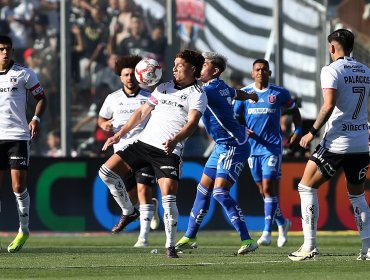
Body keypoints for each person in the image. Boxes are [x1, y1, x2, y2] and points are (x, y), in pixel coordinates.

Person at [101, 49, 207, 258]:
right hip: (143, 144)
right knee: (106, 173)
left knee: (168, 200)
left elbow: (193, 122)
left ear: (192, 69)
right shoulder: (163, 87)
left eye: (179, 64)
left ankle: (170, 246)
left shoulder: (198, 93)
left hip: (168, 151)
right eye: (174, 64)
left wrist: (175, 139)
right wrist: (120, 134)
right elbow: (141, 112)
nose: (174, 67)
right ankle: (129, 211)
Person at [288, 29, 370, 261]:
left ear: (332, 47)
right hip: (361, 143)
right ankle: (368, 248)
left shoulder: (331, 70)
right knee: (357, 196)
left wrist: (311, 132)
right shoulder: (366, 70)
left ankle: (309, 246)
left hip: (336, 143)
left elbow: (329, 104)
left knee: (306, 187)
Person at [175, 52, 260, 255]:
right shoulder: (221, 87)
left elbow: (190, 88)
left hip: (234, 145)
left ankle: (247, 239)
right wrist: (250, 96)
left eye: (203, 65)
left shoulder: (207, 90)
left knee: (220, 192)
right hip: (222, 145)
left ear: (214, 71)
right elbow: (235, 93)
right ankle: (190, 236)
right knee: (202, 189)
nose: (198, 68)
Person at [233, 59, 302, 247]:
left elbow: (295, 111)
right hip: (252, 149)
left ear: (269, 73)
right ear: (252, 73)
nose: (261, 72)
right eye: (257, 69)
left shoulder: (279, 93)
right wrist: (242, 130)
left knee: (269, 187)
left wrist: (297, 131)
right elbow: (235, 119)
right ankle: (282, 222)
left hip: (272, 147)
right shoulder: (245, 94)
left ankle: (266, 232)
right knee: (263, 191)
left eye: (264, 69)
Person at [98, 55, 159, 247]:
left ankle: (143, 238)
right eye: (126, 75)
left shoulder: (149, 97)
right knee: (131, 197)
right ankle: (147, 207)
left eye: (133, 74)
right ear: (120, 77)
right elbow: (101, 119)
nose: (130, 78)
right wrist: (105, 125)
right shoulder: (112, 98)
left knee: (143, 189)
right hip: (123, 153)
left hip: (144, 149)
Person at [0, 35, 47, 252]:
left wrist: (35, 119)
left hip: (17, 136)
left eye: (7, 49)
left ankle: (24, 229)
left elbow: (41, 97)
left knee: (17, 187)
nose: (5, 53)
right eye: (1, 49)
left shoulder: (23, 72)